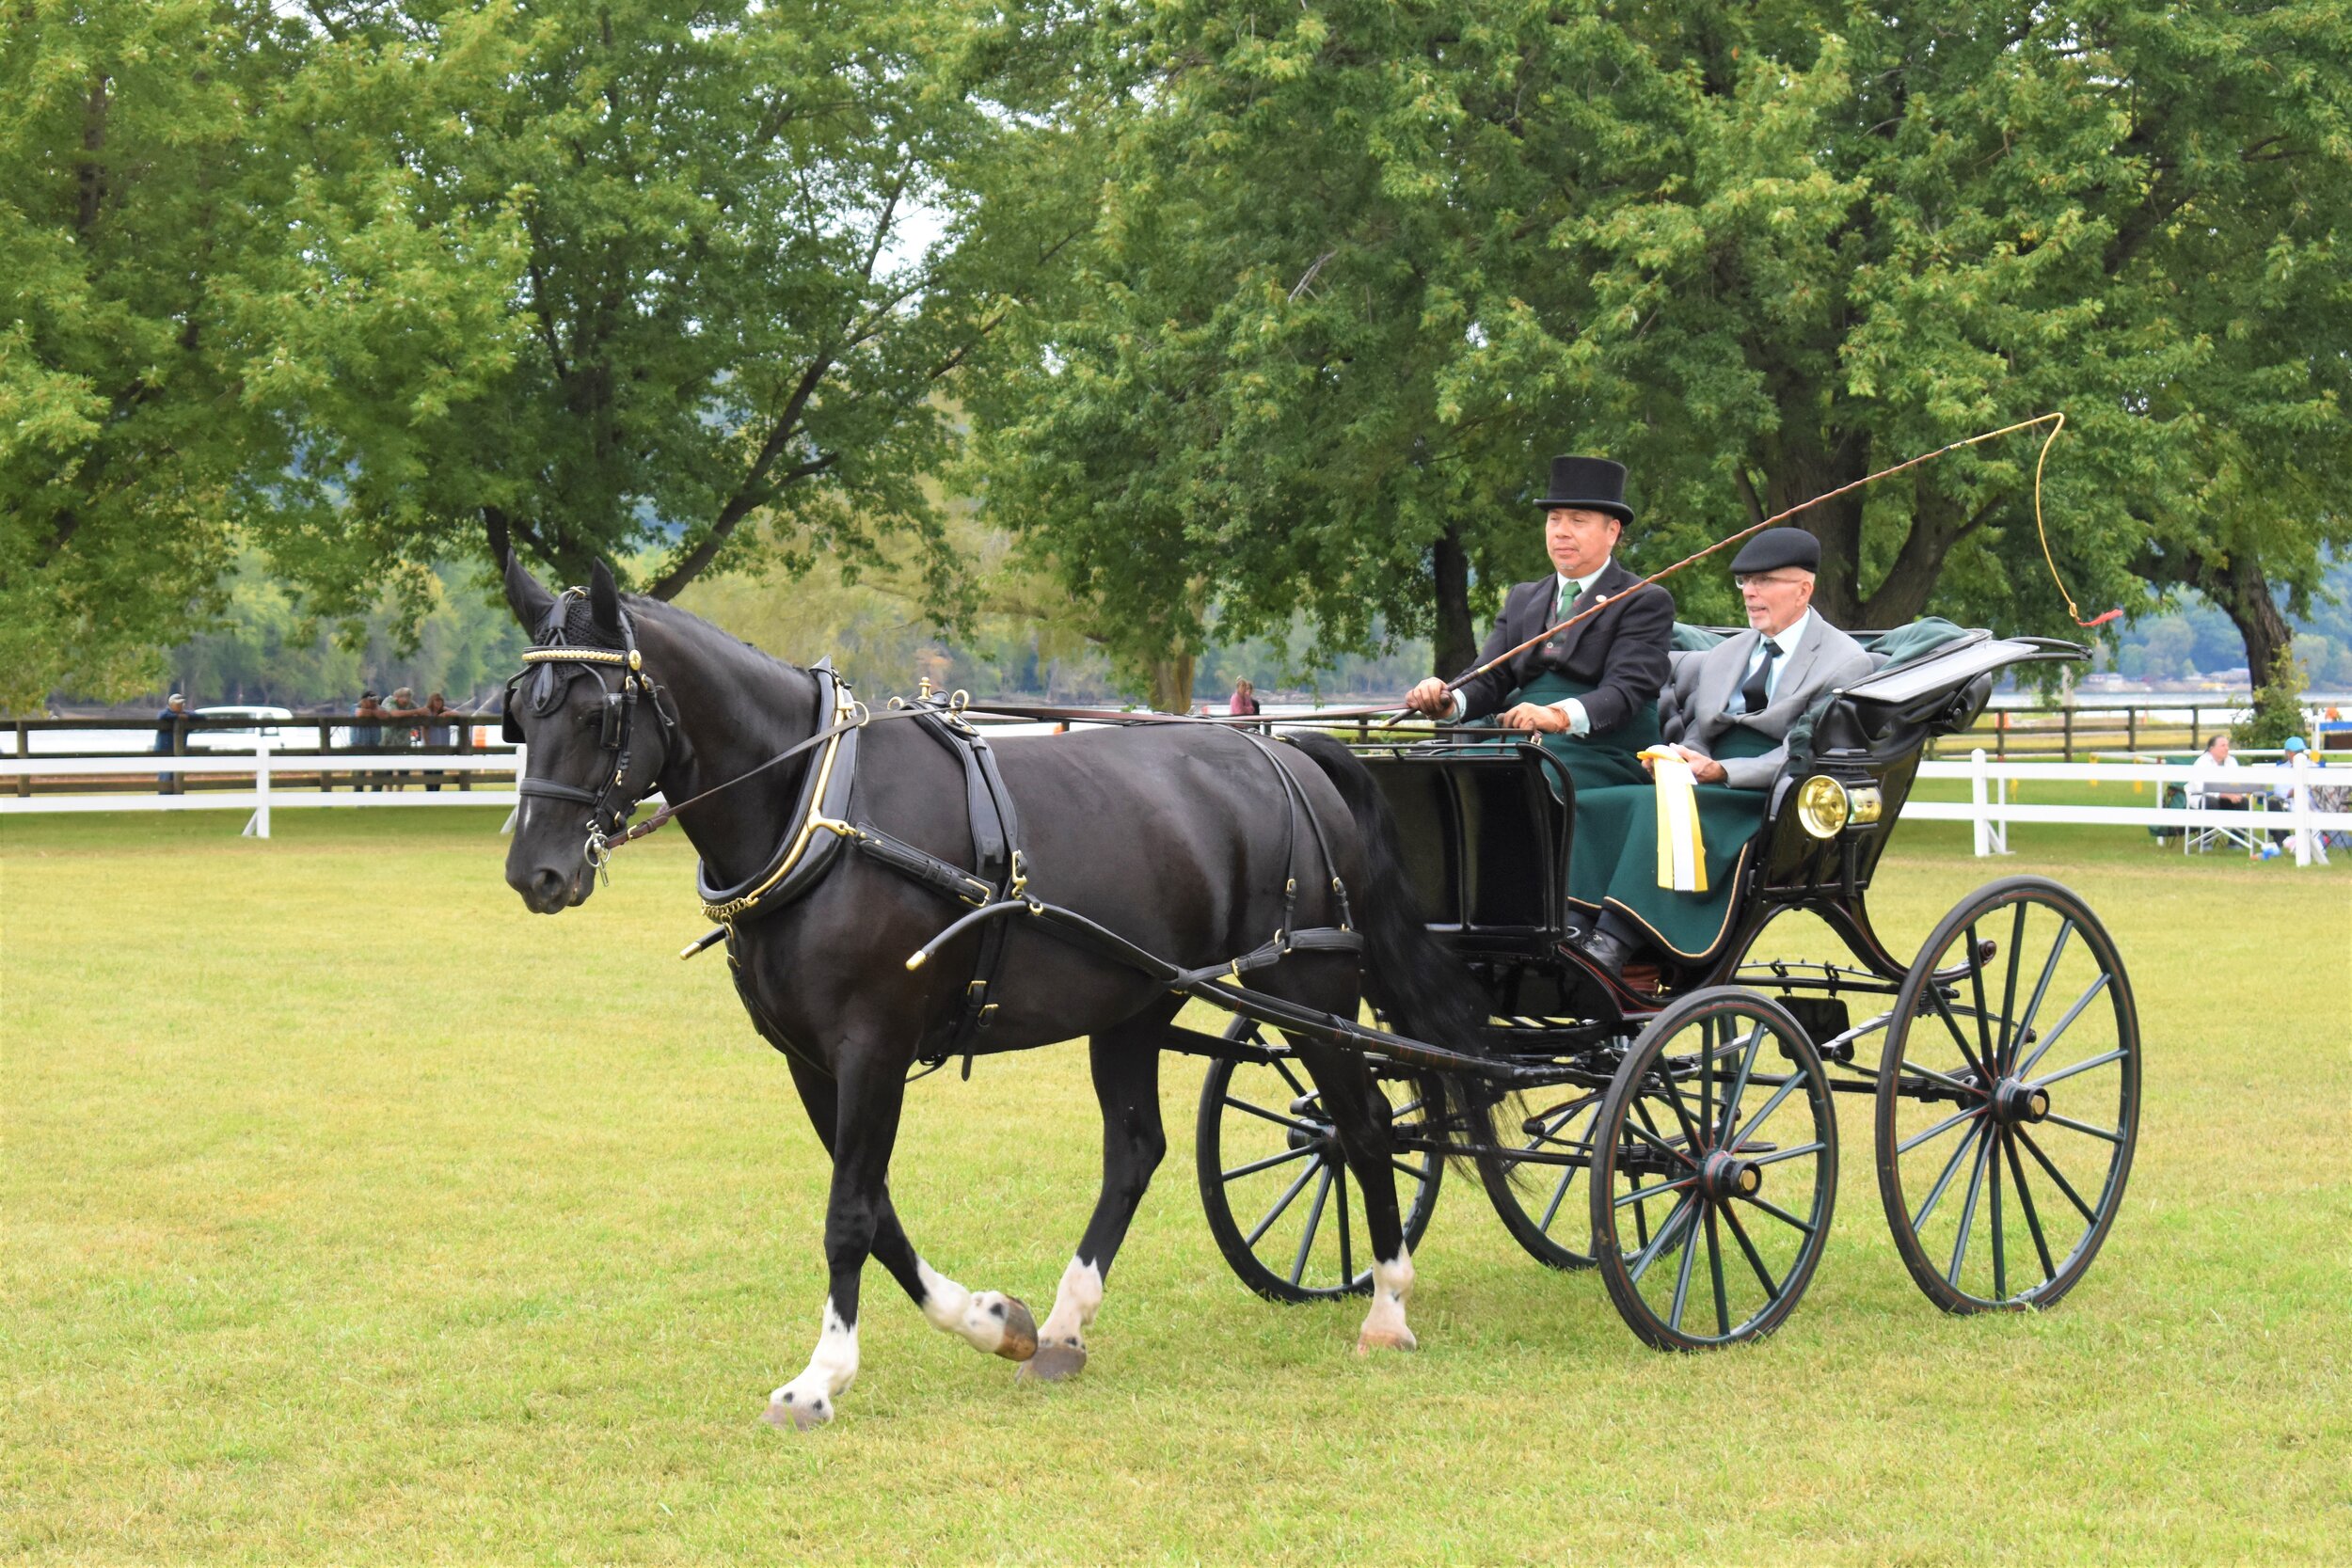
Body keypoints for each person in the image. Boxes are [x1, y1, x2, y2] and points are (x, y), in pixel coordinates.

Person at [1566, 527, 1874, 981]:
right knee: (1600, 801)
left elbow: (1802, 753)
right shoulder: (1728, 654)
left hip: (1768, 792)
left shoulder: (1844, 661)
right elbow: (1700, 733)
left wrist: (1722, 771)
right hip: (1702, 778)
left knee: (1657, 810)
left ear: (1804, 588)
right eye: (1744, 582)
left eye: (1765, 581)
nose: (1750, 592)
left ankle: (1614, 939)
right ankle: (1575, 926)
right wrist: (1677, 759)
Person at [1405, 455, 1675, 799]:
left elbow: (1624, 692)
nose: (1562, 531)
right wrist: (1448, 700)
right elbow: (1489, 676)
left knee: (1526, 782)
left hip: (1602, 752)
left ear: (1612, 531)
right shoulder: (1523, 598)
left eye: (1578, 520)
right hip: (1525, 745)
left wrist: (1556, 715)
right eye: (1554, 519)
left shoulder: (1643, 600)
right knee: (1430, 772)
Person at [152, 692, 188, 787]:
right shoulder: (165, 714)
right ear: (171, 705)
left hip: (178, 752)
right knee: (165, 776)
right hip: (164, 751)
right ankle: (164, 797)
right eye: (177, 704)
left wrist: (184, 716)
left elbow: (200, 717)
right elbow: (162, 716)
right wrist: (178, 716)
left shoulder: (186, 715)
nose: (180, 706)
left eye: (181, 704)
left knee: (177, 776)